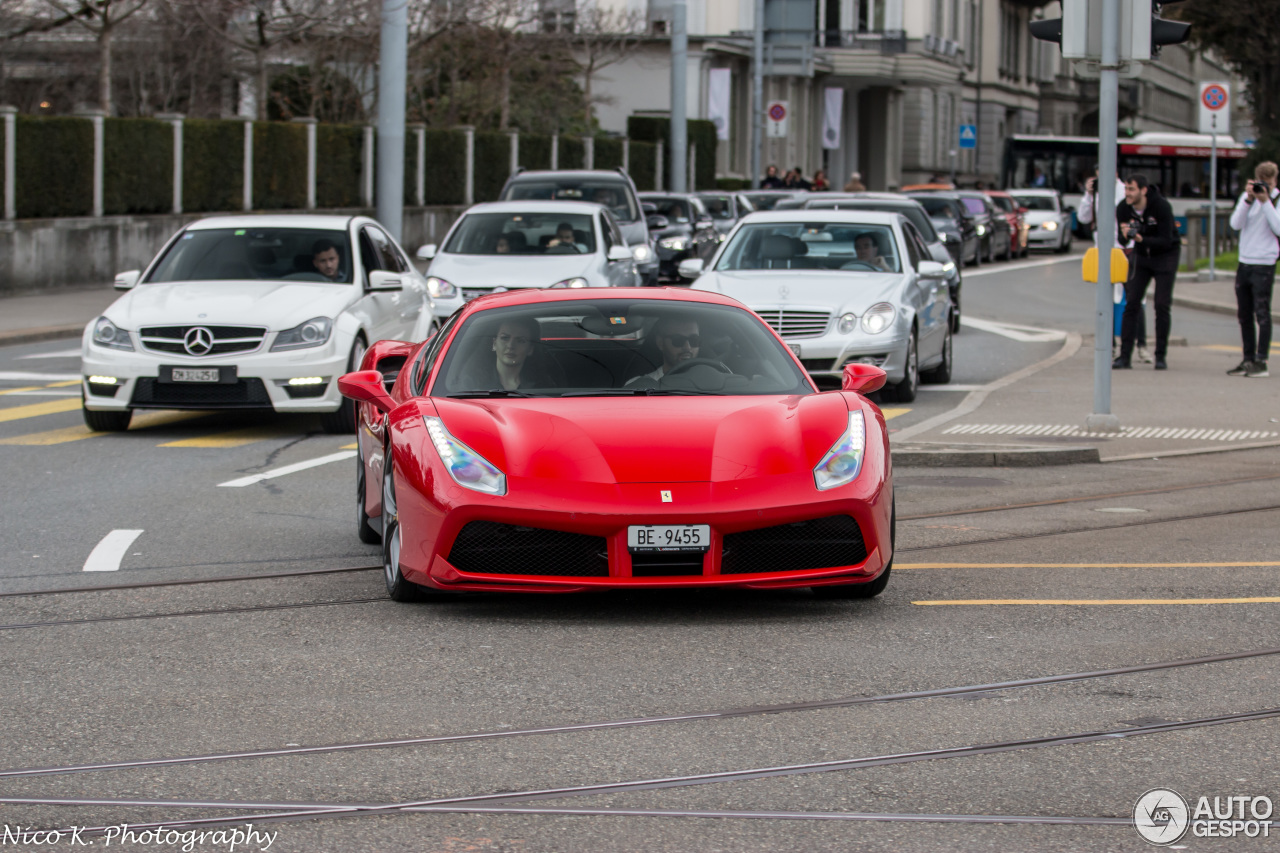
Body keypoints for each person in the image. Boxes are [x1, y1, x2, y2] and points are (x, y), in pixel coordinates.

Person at [1079, 166, 1149, 363]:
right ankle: (1110, 345)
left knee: (1134, 297)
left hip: (1126, 250)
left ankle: (1141, 344)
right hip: (1103, 250)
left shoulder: (1123, 191)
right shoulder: (1096, 194)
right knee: (1105, 299)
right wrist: (1088, 194)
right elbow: (1083, 217)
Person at [1113, 175, 1179, 370]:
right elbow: (1123, 241)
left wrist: (1142, 239)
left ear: (1143, 190)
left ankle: (1160, 356)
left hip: (1166, 256)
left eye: (1132, 189)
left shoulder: (1161, 206)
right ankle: (1125, 357)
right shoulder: (1124, 208)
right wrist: (1125, 235)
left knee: (1161, 305)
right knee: (1131, 302)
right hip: (1141, 256)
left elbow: (1166, 240)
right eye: (1126, 189)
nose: (1127, 194)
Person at [1226, 160, 1280, 378]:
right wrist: (1248, 200)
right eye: (1259, 183)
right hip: (1245, 261)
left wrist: (1266, 201)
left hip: (1264, 263)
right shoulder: (1247, 198)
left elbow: (1278, 227)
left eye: (1266, 183)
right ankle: (1247, 358)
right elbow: (1235, 224)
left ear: (1273, 181)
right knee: (1244, 314)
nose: (1261, 188)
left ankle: (1261, 361)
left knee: (1262, 314)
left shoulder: (1275, 199)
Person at [475, 317, 555, 391]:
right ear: (494, 343)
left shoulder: (542, 387)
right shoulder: (473, 383)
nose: (510, 346)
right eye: (505, 338)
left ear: (530, 349)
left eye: (520, 341)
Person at [629, 317, 702, 382]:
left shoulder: (711, 382)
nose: (687, 347)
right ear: (660, 343)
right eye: (678, 340)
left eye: (694, 340)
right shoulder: (639, 386)